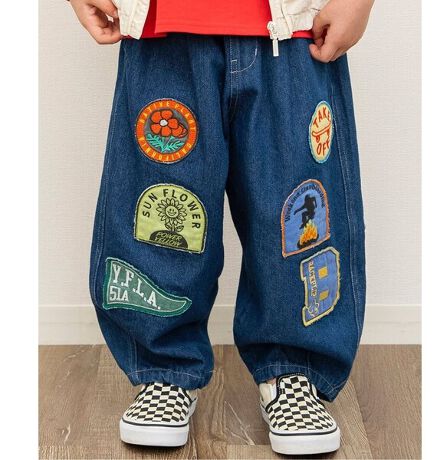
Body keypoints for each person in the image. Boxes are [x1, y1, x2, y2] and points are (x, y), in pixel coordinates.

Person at [69, 0, 373, 455]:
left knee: (297, 210)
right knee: (162, 210)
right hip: (164, 27)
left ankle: (295, 368)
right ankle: (165, 369)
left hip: (295, 30)